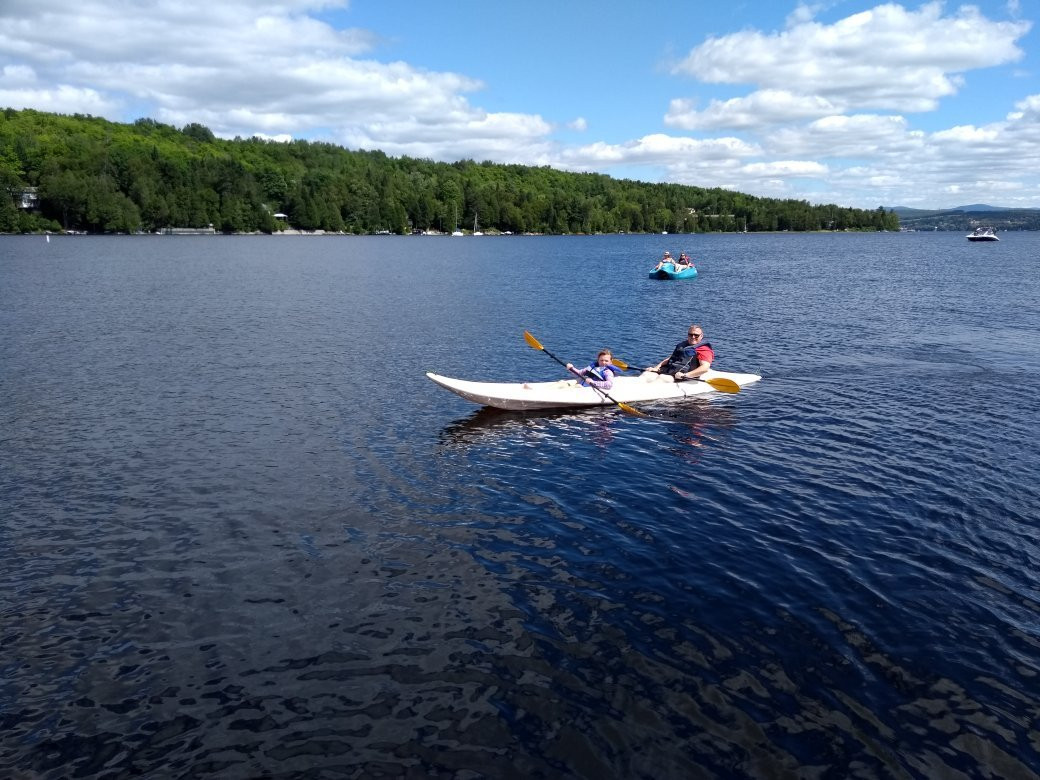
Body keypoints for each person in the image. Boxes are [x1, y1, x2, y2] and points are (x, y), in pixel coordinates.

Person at [644, 326, 714, 382]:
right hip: (670, 371)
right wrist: (656, 368)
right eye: (690, 334)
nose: (693, 337)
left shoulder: (704, 350)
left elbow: (705, 368)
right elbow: (671, 359)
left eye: (696, 335)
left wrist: (686, 375)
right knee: (647, 374)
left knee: (662, 378)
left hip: (684, 376)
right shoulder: (683, 346)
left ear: (701, 336)